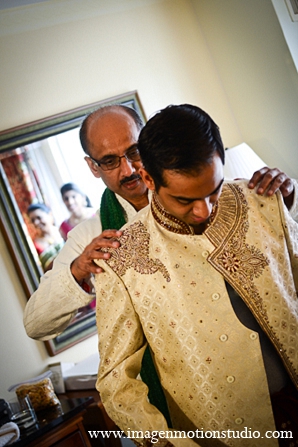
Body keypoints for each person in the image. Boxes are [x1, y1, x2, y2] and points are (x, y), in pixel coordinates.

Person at [23, 105, 297, 435]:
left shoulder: (225, 187)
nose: (128, 169)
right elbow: (36, 323)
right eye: (109, 161)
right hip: (211, 413)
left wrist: (284, 200)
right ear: (92, 167)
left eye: (134, 151)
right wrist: (79, 268)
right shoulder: (99, 240)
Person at [27, 203, 64, 272]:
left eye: (39, 217)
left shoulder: (62, 230)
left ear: (49, 215)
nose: (36, 223)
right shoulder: (34, 246)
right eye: (33, 220)